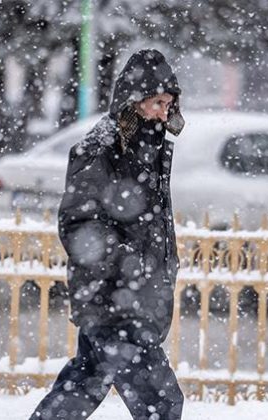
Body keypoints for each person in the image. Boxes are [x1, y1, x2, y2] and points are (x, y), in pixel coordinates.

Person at [29, 49, 185, 420]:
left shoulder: (151, 150)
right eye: (157, 103)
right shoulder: (101, 149)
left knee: (82, 386)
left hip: (130, 297)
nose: (164, 112)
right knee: (161, 403)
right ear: (134, 102)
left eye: (169, 103)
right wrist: (127, 268)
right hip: (115, 300)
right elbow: (80, 223)